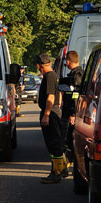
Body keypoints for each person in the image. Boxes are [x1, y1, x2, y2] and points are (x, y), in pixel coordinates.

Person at [35, 53, 66, 184]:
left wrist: (46, 114)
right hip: (55, 112)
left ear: (39, 66)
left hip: (51, 113)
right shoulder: (54, 75)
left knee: (53, 144)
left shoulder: (49, 77)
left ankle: (56, 173)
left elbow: (50, 98)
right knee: (56, 143)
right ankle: (62, 169)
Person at [59, 51, 84, 168]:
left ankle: (65, 166)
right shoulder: (74, 74)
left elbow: (76, 95)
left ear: (68, 61)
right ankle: (66, 165)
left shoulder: (77, 75)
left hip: (72, 113)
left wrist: (73, 113)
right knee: (67, 140)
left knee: (68, 140)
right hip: (69, 112)